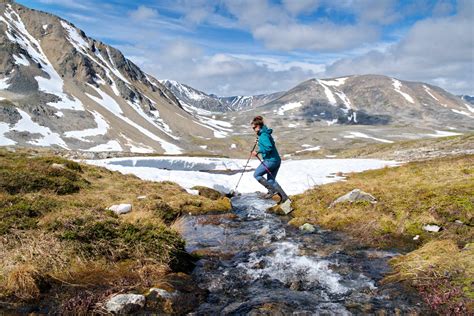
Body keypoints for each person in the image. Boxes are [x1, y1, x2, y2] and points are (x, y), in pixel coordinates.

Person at [251, 116, 289, 204]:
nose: (253, 129)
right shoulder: (265, 133)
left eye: (254, 127)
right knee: (271, 180)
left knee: (257, 174)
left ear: (258, 126)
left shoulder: (263, 135)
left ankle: (272, 191)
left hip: (270, 161)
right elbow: (269, 143)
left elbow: (269, 148)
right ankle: (285, 200)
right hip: (276, 160)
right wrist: (259, 142)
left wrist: (257, 151)